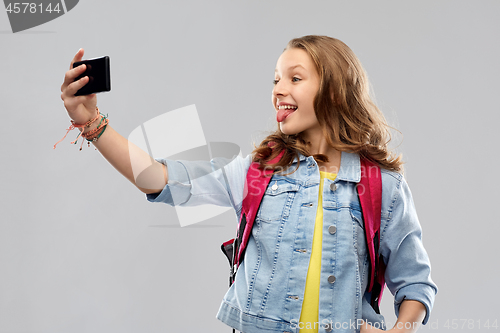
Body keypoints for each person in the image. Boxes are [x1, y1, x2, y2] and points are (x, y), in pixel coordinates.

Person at [60, 35, 437, 333]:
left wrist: (401, 329)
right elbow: (161, 178)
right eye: (275, 79)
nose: (278, 88)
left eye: (295, 78)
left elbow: (415, 282)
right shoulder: (256, 172)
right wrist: (92, 123)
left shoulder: (382, 186)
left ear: (335, 91)